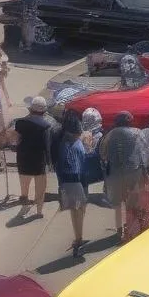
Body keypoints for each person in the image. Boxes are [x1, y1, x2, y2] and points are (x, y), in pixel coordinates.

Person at [98, 112, 145, 241]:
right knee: (132, 203)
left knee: (118, 205)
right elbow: (142, 154)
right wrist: (145, 174)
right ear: (130, 121)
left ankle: (119, 231)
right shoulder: (137, 133)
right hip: (133, 172)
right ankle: (131, 229)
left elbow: (103, 154)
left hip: (115, 173)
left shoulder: (109, 135)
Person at [54, 109, 88, 258]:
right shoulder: (76, 145)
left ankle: (78, 238)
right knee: (79, 211)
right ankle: (78, 241)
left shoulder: (63, 143)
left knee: (76, 212)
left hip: (66, 182)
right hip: (75, 182)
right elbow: (79, 167)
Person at [14, 97, 52, 219]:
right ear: (44, 111)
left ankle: (24, 207)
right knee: (40, 188)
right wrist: (50, 161)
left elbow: (17, 139)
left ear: (30, 109)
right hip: (39, 160)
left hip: (23, 158)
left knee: (24, 187)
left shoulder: (20, 122)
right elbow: (47, 145)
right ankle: (39, 211)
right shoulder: (46, 125)